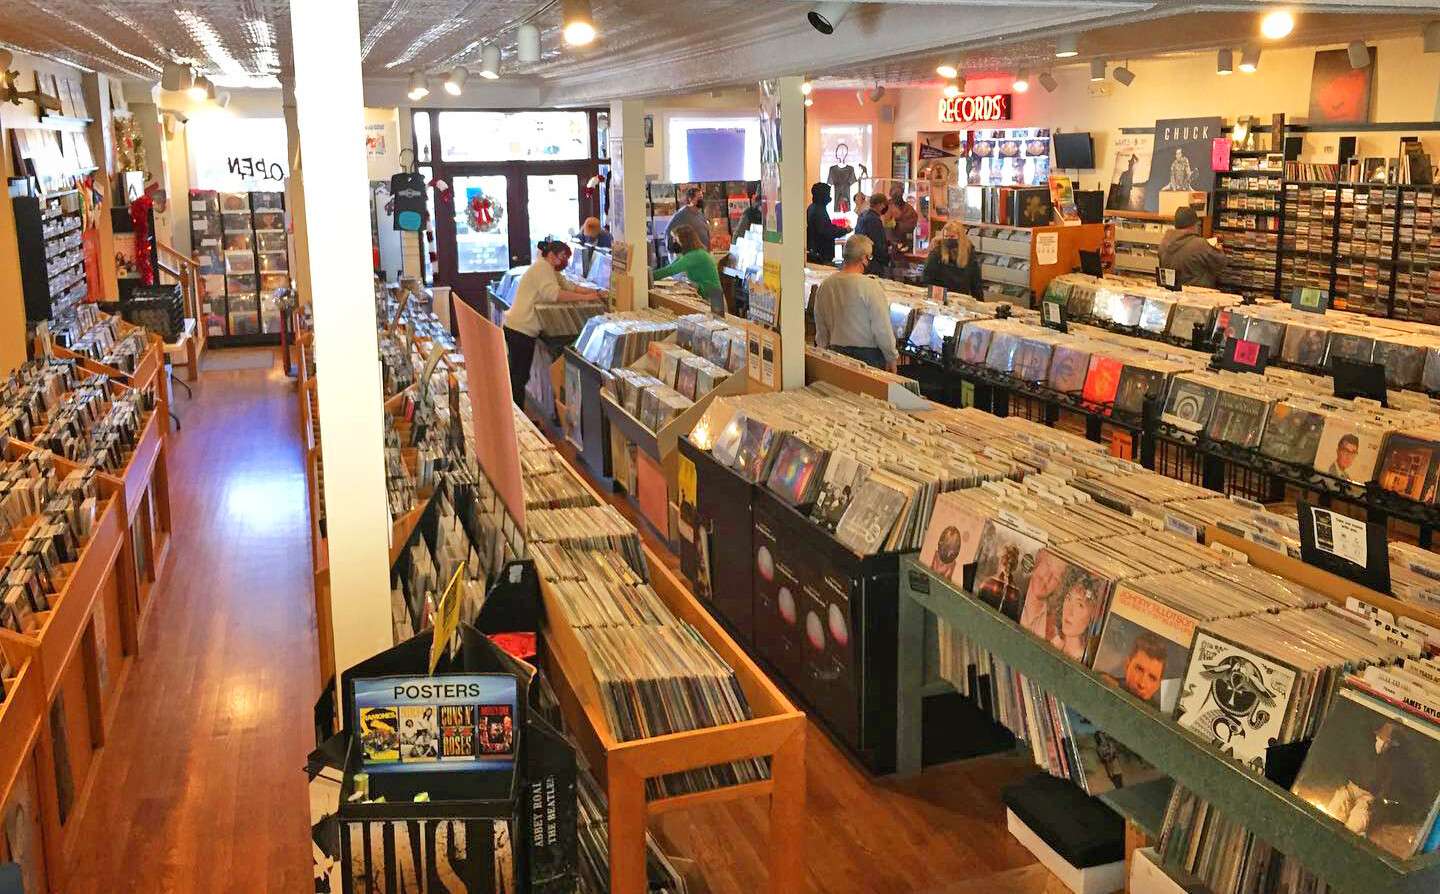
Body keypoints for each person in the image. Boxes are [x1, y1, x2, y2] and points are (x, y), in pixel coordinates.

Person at [504, 239, 604, 407]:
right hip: (521, 330)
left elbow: (568, 286)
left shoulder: (547, 267)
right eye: (562, 257)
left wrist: (595, 292)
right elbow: (554, 294)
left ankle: (516, 416)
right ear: (551, 255)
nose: (563, 262)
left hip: (518, 327)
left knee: (518, 376)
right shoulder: (543, 268)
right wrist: (586, 298)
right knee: (519, 377)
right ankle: (516, 420)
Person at [812, 234, 898, 372]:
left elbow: (820, 323)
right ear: (864, 258)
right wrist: (891, 357)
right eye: (870, 257)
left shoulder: (826, 285)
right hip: (869, 357)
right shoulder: (871, 287)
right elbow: (882, 328)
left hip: (836, 351)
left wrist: (824, 349)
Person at [654, 225, 724, 314]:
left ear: (684, 240)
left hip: (713, 297)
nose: (674, 242)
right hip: (710, 294)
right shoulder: (691, 253)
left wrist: (647, 276)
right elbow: (670, 267)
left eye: (676, 239)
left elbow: (671, 270)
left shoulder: (695, 255)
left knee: (717, 324)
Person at [1158, 205, 1226, 288]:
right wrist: (1219, 249)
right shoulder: (1200, 245)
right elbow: (1221, 263)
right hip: (1196, 295)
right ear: (1194, 224)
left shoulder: (1164, 243)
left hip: (1172, 294)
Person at [921, 220, 983, 299]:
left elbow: (975, 281)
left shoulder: (969, 253)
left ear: (960, 237)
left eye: (952, 237)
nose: (949, 240)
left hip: (962, 297)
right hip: (941, 297)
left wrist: (979, 302)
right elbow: (927, 278)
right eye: (946, 236)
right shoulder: (937, 252)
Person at [1118, 633, 1169, 705]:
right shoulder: (1104, 682)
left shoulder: (1159, 714)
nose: (1141, 684)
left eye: (1152, 678)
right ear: (1127, 665)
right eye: (1139, 669)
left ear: (1158, 685)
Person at [806, 182, 850, 263]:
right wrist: (844, 230)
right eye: (828, 194)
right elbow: (827, 231)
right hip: (821, 253)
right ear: (822, 195)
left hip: (817, 251)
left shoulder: (813, 208)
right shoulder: (818, 211)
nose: (829, 197)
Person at [854, 192, 891, 276]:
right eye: (884, 205)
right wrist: (886, 258)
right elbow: (877, 243)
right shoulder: (874, 220)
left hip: (861, 259)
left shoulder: (862, 215)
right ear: (881, 205)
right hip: (873, 263)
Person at [666, 187, 711, 255]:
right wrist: (675, 250)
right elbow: (668, 230)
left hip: (703, 253)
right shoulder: (681, 215)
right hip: (691, 255)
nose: (701, 200)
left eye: (702, 197)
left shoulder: (701, 215)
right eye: (699, 198)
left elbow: (706, 232)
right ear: (690, 199)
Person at [888, 186, 918, 251]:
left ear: (902, 195)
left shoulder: (909, 209)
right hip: (886, 242)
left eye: (898, 195)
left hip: (902, 242)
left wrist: (897, 224)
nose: (896, 198)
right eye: (894, 196)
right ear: (890, 195)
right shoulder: (886, 205)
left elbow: (911, 226)